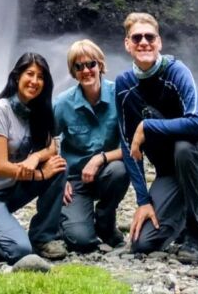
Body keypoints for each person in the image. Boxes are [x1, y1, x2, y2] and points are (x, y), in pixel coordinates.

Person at [115, 12, 198, 263]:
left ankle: (197, 237)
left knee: (184, 148)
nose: (143, 42)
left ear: (159, 42)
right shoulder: (124, 85)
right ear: (127, 44)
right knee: (141, 243)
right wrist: (143, 200)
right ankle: (178, 222)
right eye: (137, 38)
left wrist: (148, 126)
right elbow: (127, 146)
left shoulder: (177, 72)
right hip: (170, 174)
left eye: (150, 37)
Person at [0, 52, 68, 263]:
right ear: (16, 77)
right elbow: (1, 166)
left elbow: (52, 148)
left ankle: (43, 237)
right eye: (30, 74)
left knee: (58, 167)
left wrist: (34, 158)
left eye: (41, 77)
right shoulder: (0, 110)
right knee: (20, 251)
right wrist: (39, 174)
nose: (35, 81)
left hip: (11, 189)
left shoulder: (36, 110)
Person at [54, 39, 129, 250]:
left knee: (121, 170)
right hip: (74, 181)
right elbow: (42, 139)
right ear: (73, 72)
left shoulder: (120, 96)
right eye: (79, 66)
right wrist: (57, 177)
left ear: (100, 65)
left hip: (106, 173)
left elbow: (133, 146)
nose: (86, 70)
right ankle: (66, 221)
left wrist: (100, 159)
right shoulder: (63, 103)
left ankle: (105, 220)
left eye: (91, 64)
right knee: (82, 242)